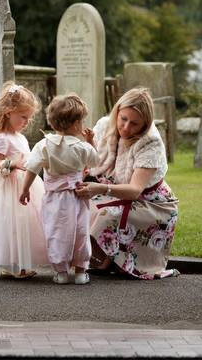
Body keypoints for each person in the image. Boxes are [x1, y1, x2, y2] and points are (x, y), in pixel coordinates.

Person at [75, 87, 180, 280]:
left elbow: (134, 190)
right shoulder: (105, 125)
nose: (125, 127)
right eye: (123, 119)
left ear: (145, 124)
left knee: (105, 215)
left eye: (134, 123)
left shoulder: (151, 143)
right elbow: (91, 161)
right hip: (114, 193)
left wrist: (100, 188)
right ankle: (104, 259)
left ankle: (116, 260)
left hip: (151, 203)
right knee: (75, 205)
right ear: (117, 111)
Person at [19, 93, 99, 285]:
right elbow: (95, 160)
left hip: (54, 197)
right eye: (81, 121)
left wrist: (25, 189)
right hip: (77, 197)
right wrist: (90, 141)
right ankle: (80, 272)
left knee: (56, 232)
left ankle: (61, 272)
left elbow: (31, 169)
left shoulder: (43, 145)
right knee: (80, 231)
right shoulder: (81, 147)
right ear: (75, 125)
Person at [0, 81, 48, 279]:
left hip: (26, 183)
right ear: (8, 112)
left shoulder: (21, 137)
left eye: (29, 118)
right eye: (23, 117)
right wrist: (11, 164)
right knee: (12, 224)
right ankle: (14, 265)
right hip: (9, 186)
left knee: (27, 222)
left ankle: (20, 263)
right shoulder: (2, 138)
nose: (27, 122)